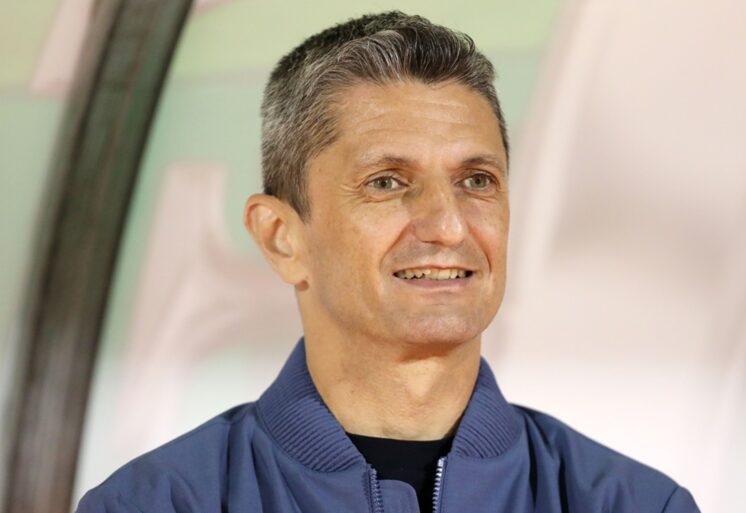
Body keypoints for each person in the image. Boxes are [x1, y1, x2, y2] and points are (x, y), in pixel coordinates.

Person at [77, 11, 701, 513]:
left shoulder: (634, 504)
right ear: (280, 238)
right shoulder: (155, 504)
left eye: (477, 180)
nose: (448, 225)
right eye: (386, 182)